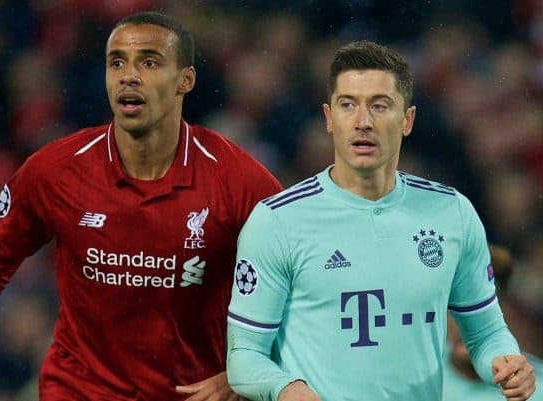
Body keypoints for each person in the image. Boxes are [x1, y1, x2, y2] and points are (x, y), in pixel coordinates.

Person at [0, 11, 282, 401]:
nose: (128, 75)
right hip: (77, 391)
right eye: (116, 62)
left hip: (190, 392)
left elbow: (300, 291)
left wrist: (243, 373)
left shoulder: (241, 183)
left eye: (149, 62)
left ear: (185, 80)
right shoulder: (56, 171)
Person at [226, 41, 536, 401]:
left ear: (407, 120)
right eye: (348, 105)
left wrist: (508, 364)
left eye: (380, 105)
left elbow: (485, 334)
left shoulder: (451, 213)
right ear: (329, 118)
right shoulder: (277, 221)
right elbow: (245, 356)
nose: (363, 122)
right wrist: (286, 388)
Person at [444, 245, 543, 401]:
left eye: (481, 311)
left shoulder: (538, 391)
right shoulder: (413, 373)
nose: (467, 325)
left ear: (508, 314)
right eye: (458, 308)